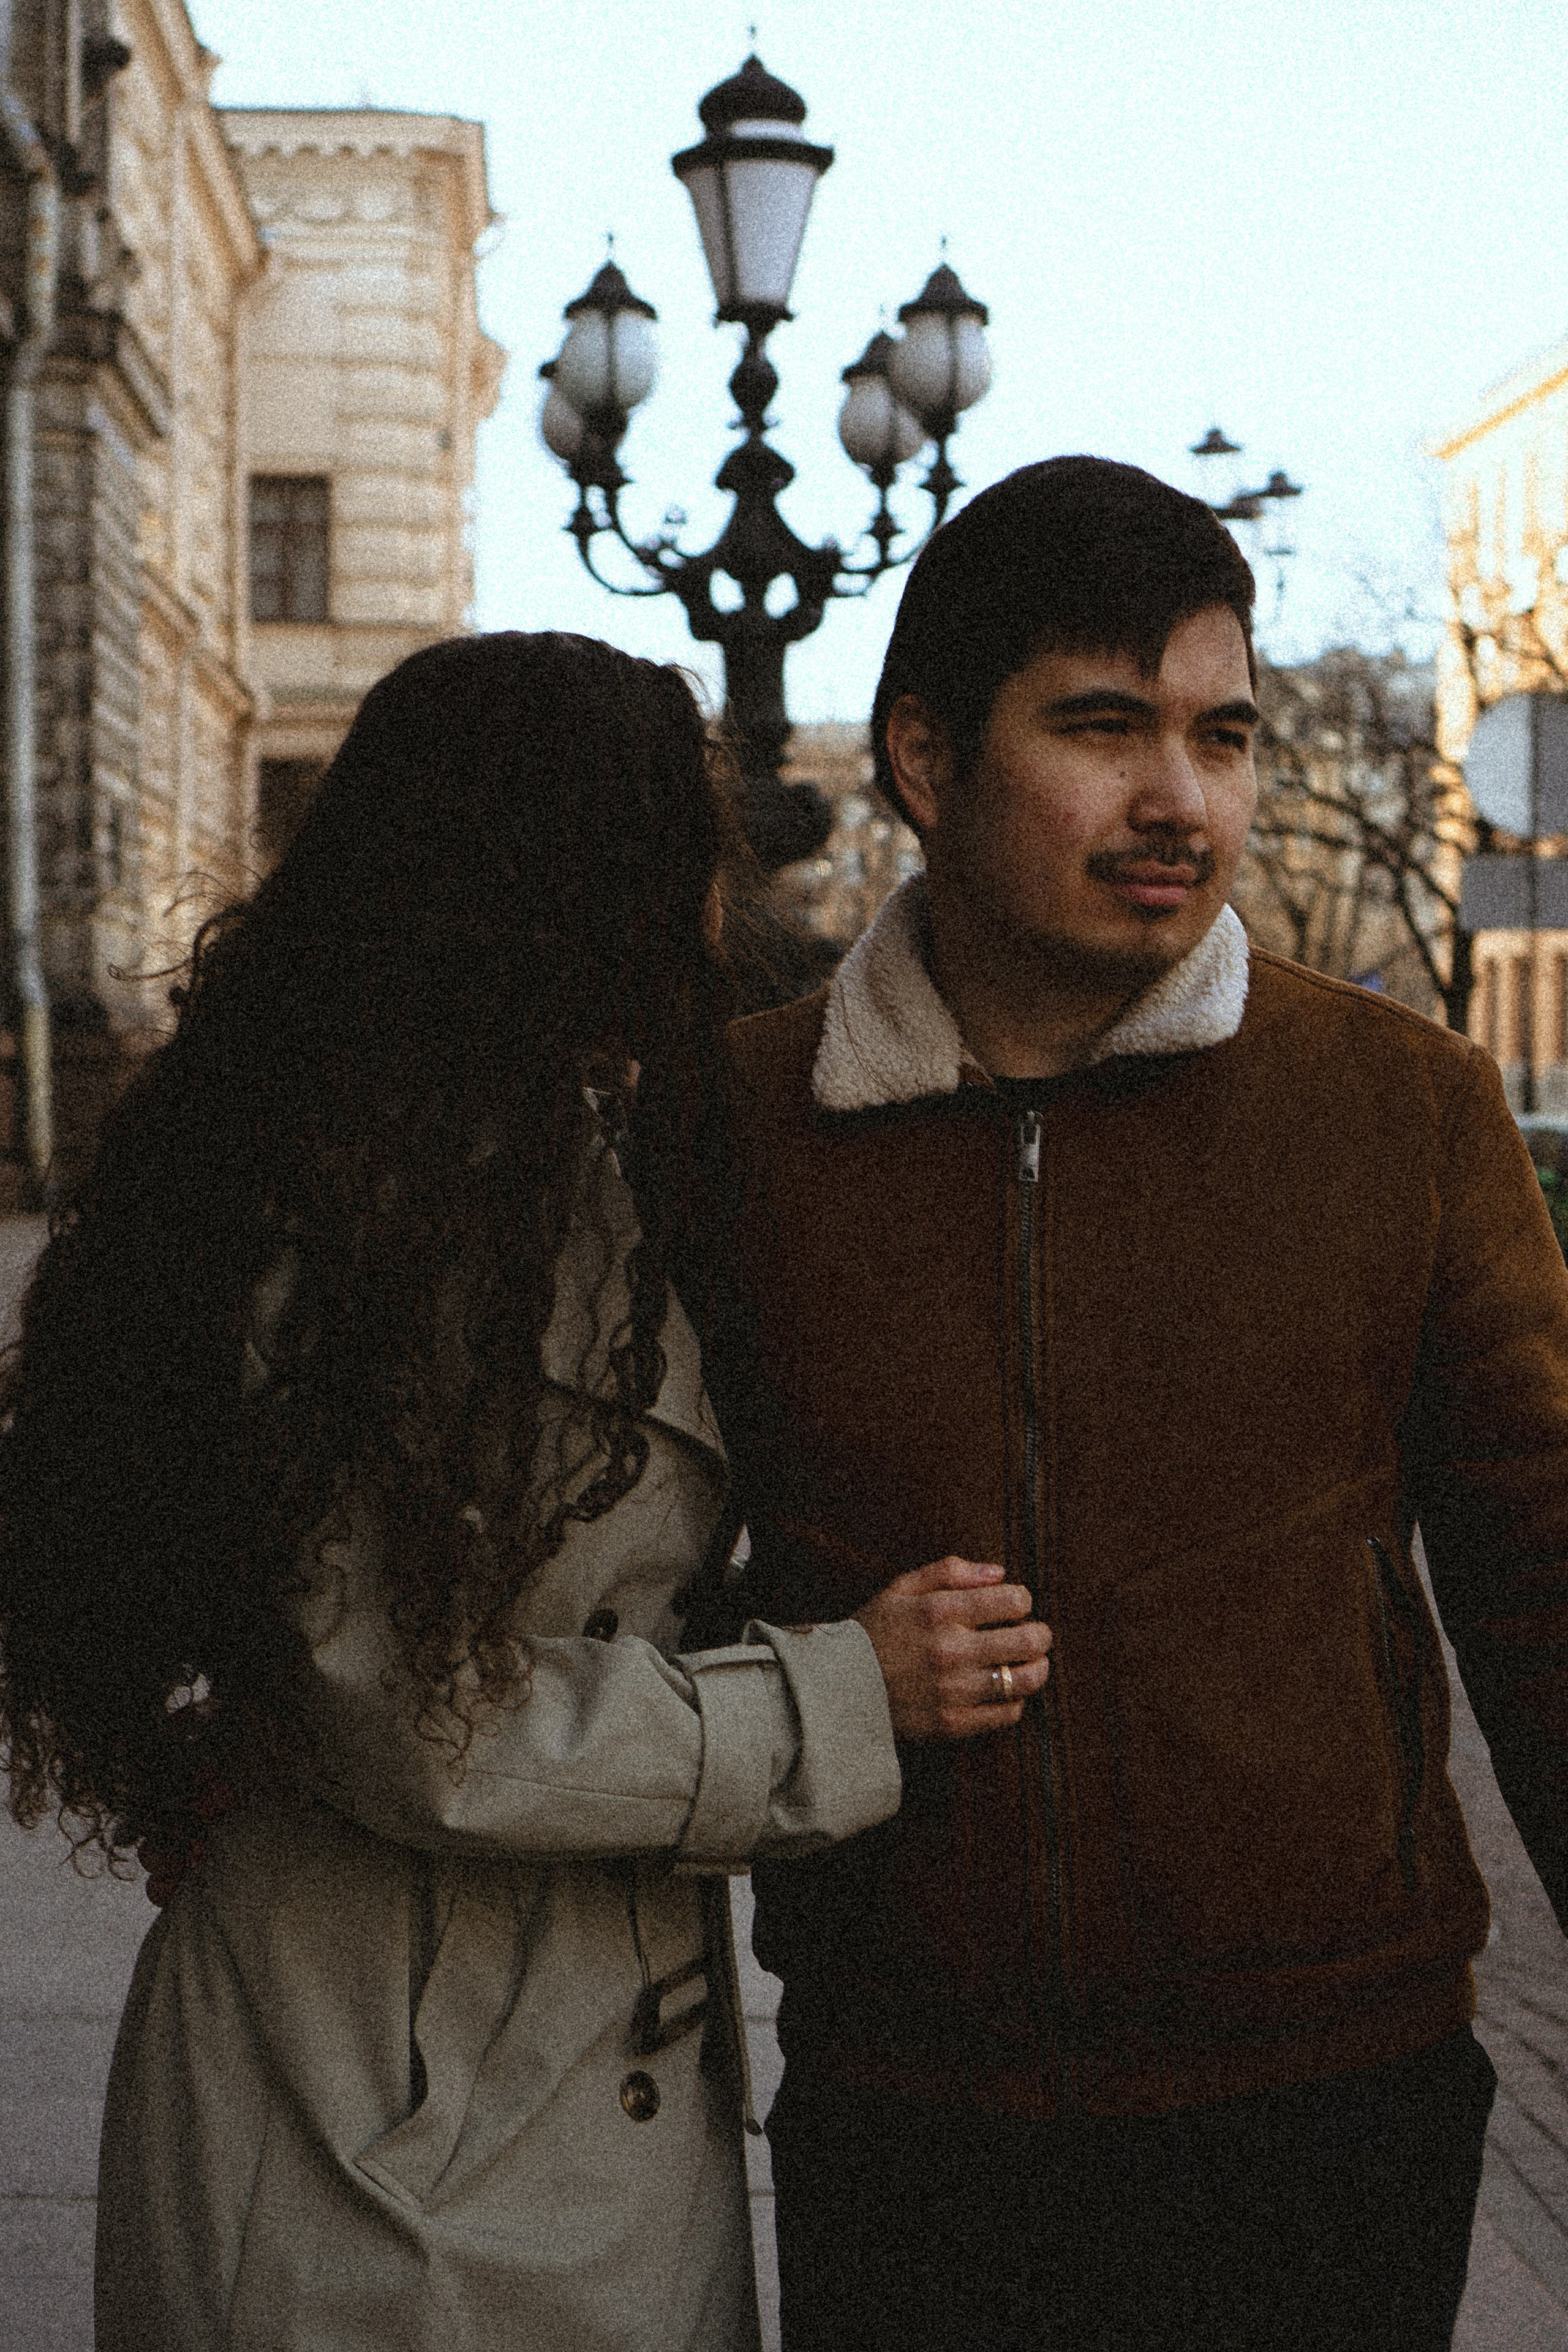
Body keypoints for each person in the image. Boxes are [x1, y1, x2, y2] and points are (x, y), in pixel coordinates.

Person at [0, 632, 1051, 2352]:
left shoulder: (542, 1159)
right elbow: (426, 1722)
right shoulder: (348, 1214)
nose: (716, 903)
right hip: (381, 2125)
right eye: (685, 850)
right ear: (587, 882)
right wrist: (847, 1696)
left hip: (513, 2074)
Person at [718, 458, 1568, 2352]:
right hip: (913, 2108)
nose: (1180, 799)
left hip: (1331, 2101)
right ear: (927, 762)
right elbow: (614, 1581)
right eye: (1104, 729)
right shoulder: (738, 1128)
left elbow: (1546, 1566)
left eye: (1223, 734)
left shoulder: (1401, 1107)